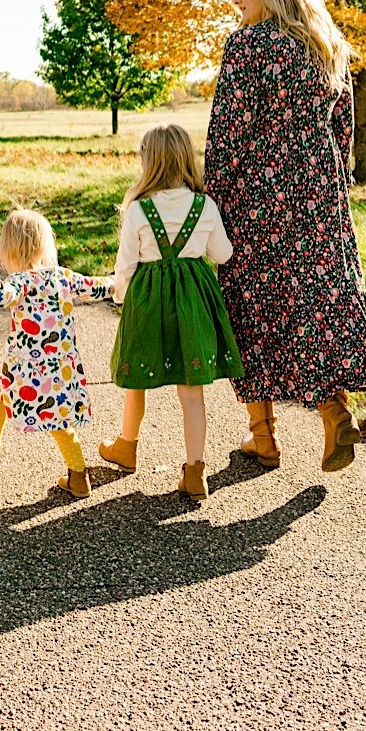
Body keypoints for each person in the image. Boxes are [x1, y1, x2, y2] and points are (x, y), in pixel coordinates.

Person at [204, 0, 366, 473]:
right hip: (319, 191)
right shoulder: (325, 44)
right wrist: (336, 182)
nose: (235, 0)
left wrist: (211, 194)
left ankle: (263, 436)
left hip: (257, 195)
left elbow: (229, 131)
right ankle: (335, 413)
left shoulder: (248, 46)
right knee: (316, 299)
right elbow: (343, 126)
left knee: (254, 302)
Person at [99, 124, 243, 505]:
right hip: (192, 301)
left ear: (149, 162)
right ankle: (195, 471)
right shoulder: (205, 206)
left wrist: (121, 299)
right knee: (191, 392)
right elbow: (222, 254)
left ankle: (126, 446)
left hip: (149, 302)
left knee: (137, 380)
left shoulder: (138, 210)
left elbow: (125, 266)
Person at [0, 209, 113, 498]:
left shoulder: (21, 282)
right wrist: (120, 283)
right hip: (61, 367)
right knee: (59, 420)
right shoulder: (62, 277)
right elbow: (94, 287)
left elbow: (1, 295)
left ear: (9, 249)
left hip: (26, 368)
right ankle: (78, 475)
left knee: (1, 393)